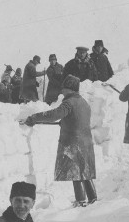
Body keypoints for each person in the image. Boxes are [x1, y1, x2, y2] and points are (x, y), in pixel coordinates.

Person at [23, 74, 97, 206]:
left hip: (74, 142)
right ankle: (93, 198)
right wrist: (65, 122)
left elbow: (53, 115)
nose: (62, 91)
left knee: (76, 172)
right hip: (86, 141)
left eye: (64, 88)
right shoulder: (84, 102)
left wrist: (34, 118)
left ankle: (81, 201)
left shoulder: (69, 102)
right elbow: (77, 119)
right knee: (85, 171)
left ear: (70, 89)